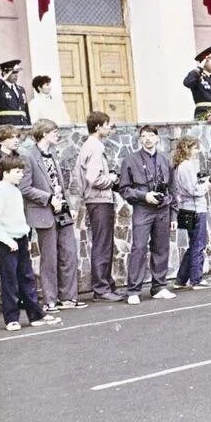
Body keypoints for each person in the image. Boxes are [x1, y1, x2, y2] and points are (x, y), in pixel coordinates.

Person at [0, 156, 62, 331]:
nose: (21, 175)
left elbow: (20, 219)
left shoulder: (15, 190)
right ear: (6, 173)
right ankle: (11, 318)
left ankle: (35, 315)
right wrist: (7, 240)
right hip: (7, 242)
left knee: (27, 278)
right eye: (17, 172)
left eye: (22, 171)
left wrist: (25, 239)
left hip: (19, 240)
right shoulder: (0, 191)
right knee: (10, 281)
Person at [21, 119, 87, 312]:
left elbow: (58, 183)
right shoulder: (29, 156)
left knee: (69, 254)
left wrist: (66, 203)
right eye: (54, 131)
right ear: (43, 134)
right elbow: (25, 187)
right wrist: (49, 199)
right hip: (44, 212)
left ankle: (69, 297)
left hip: (61, 211)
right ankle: (50, 300)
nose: (58, 135)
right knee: (49, 258)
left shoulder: (53, 154)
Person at [119, 125, 178, 304]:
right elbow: (124, 189)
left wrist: (174, 215)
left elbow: (173, 189)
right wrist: (144, 195)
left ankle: (159, 286)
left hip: (163, 209)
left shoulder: (164, 160)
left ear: (157, 138)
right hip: (142, 209)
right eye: (143, 136)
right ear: (140, 140)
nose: (147, 139)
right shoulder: (130, 160)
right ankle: (133, 290)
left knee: (161, 248)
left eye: (151, 135)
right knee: (139, 247)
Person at [73, 111, 122, 301]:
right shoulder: (95, 147)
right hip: (99, 199)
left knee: (104, 243)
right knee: (102, 244)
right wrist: (111, 178)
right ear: (97, 127)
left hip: (97, 199)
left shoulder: (90, 146)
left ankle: (106, 284)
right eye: (107, 124)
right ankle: (101, 288)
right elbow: (94, 178)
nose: (109, 127)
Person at [170, 136, 211, 290]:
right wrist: (206, 185)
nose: (197, 150)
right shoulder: (186, 166)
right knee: (199, 244)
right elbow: (193, 190)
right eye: (195, 148)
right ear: (187, 148)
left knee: (193, 244)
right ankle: (196, 279)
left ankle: (181, 279)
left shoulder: (178, 165)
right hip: (195, 209)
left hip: (186, 209)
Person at [0, 59, 31, 126]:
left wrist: (29, 126)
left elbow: (25, 111)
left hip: (22, 126)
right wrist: (2, 80)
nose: (16, 75)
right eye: (13, 72)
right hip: (7, 127)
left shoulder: (21, 89)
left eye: (16, 72)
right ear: (5, 73)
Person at [184, 46, 211, 120]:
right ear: (204, 62)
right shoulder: (197, 76)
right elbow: (187, 82)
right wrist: (199, 68)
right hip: (203, 116)